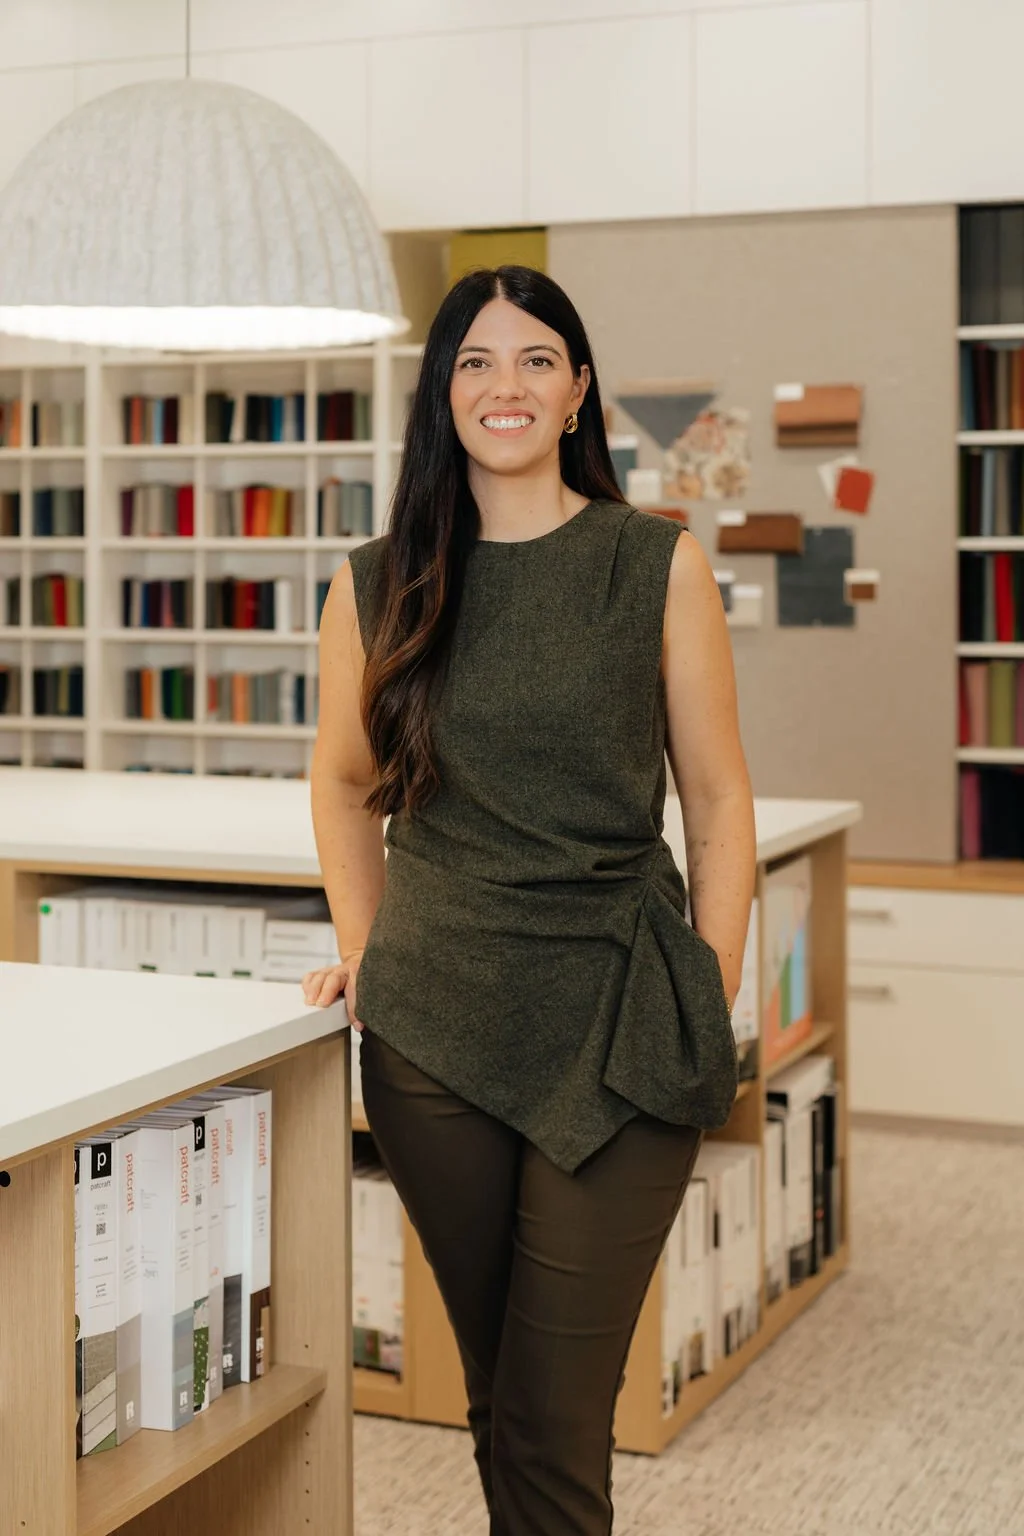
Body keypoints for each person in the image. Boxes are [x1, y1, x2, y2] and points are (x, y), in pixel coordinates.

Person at [303, 264, 756, 1535]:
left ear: (578, 392)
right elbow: (345, 792)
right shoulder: (377, 580)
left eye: (536, 360)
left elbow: (719, 805)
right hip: (433, 1036)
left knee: (555, 1416)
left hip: (619, 1023)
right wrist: (367, 952)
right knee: (502, 1391)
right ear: (442, 396)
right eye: (475, 363)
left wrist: (703, 991)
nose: (506, 386)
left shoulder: (654, 564)